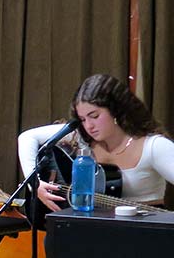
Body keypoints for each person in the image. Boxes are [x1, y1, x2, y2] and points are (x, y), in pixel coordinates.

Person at [18, 73, 174, 210]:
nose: (89, 126)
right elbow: (27, 137)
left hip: (143, 232)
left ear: (116, 110)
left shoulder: (154, 146)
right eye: (82, 119)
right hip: (93, 230)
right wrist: (34, 183)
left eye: (94, 116)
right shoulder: (80, 137)